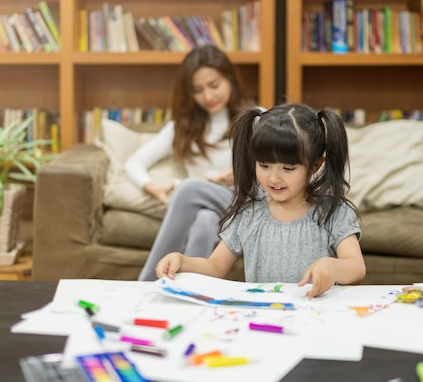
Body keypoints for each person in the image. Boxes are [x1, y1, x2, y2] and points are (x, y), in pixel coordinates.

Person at [155, 103, 367, 298]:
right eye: (264, 165)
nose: (274, 178)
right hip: (262, 318)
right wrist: (182, 261)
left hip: (316, 318)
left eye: (288, 168)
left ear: (315, 165)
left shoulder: (333, 211)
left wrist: (332, 267)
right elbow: (215, 267)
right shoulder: (250, 213)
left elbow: (356, 268)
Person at [125, 44, 255, 281]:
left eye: (214, 85)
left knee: (189, 187)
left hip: (242, 202)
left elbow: (281, 168)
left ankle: (146, 284)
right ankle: (187, 292)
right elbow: (134, 162)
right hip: (206, 209)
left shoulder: (256, 118)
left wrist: (245, 175)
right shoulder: (182, 128)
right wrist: (154, 189)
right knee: (204, 221)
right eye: (197, 90)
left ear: (230, 79)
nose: (208, 96)